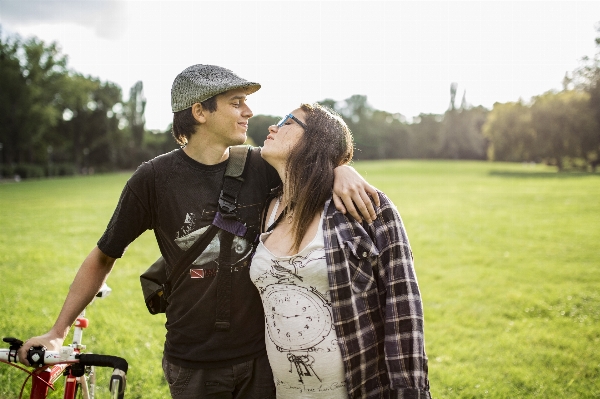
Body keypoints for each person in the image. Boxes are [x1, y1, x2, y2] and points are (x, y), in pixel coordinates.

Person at [17, 65, 380, 399]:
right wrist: (58, 332)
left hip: (263, 357)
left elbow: (310, 163)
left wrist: (340, 169)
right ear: (199, 111)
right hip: (192, 362)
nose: (248, 112)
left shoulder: (261, 165)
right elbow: (103, 256)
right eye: (236, 103)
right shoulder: (153, 180)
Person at [250, 103, 431, 398]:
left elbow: (403, 309)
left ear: (315, 140)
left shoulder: (364, 206)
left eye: (287, 121)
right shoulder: (264, 208)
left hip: (360, 389)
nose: (272, 126)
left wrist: (410, 392)